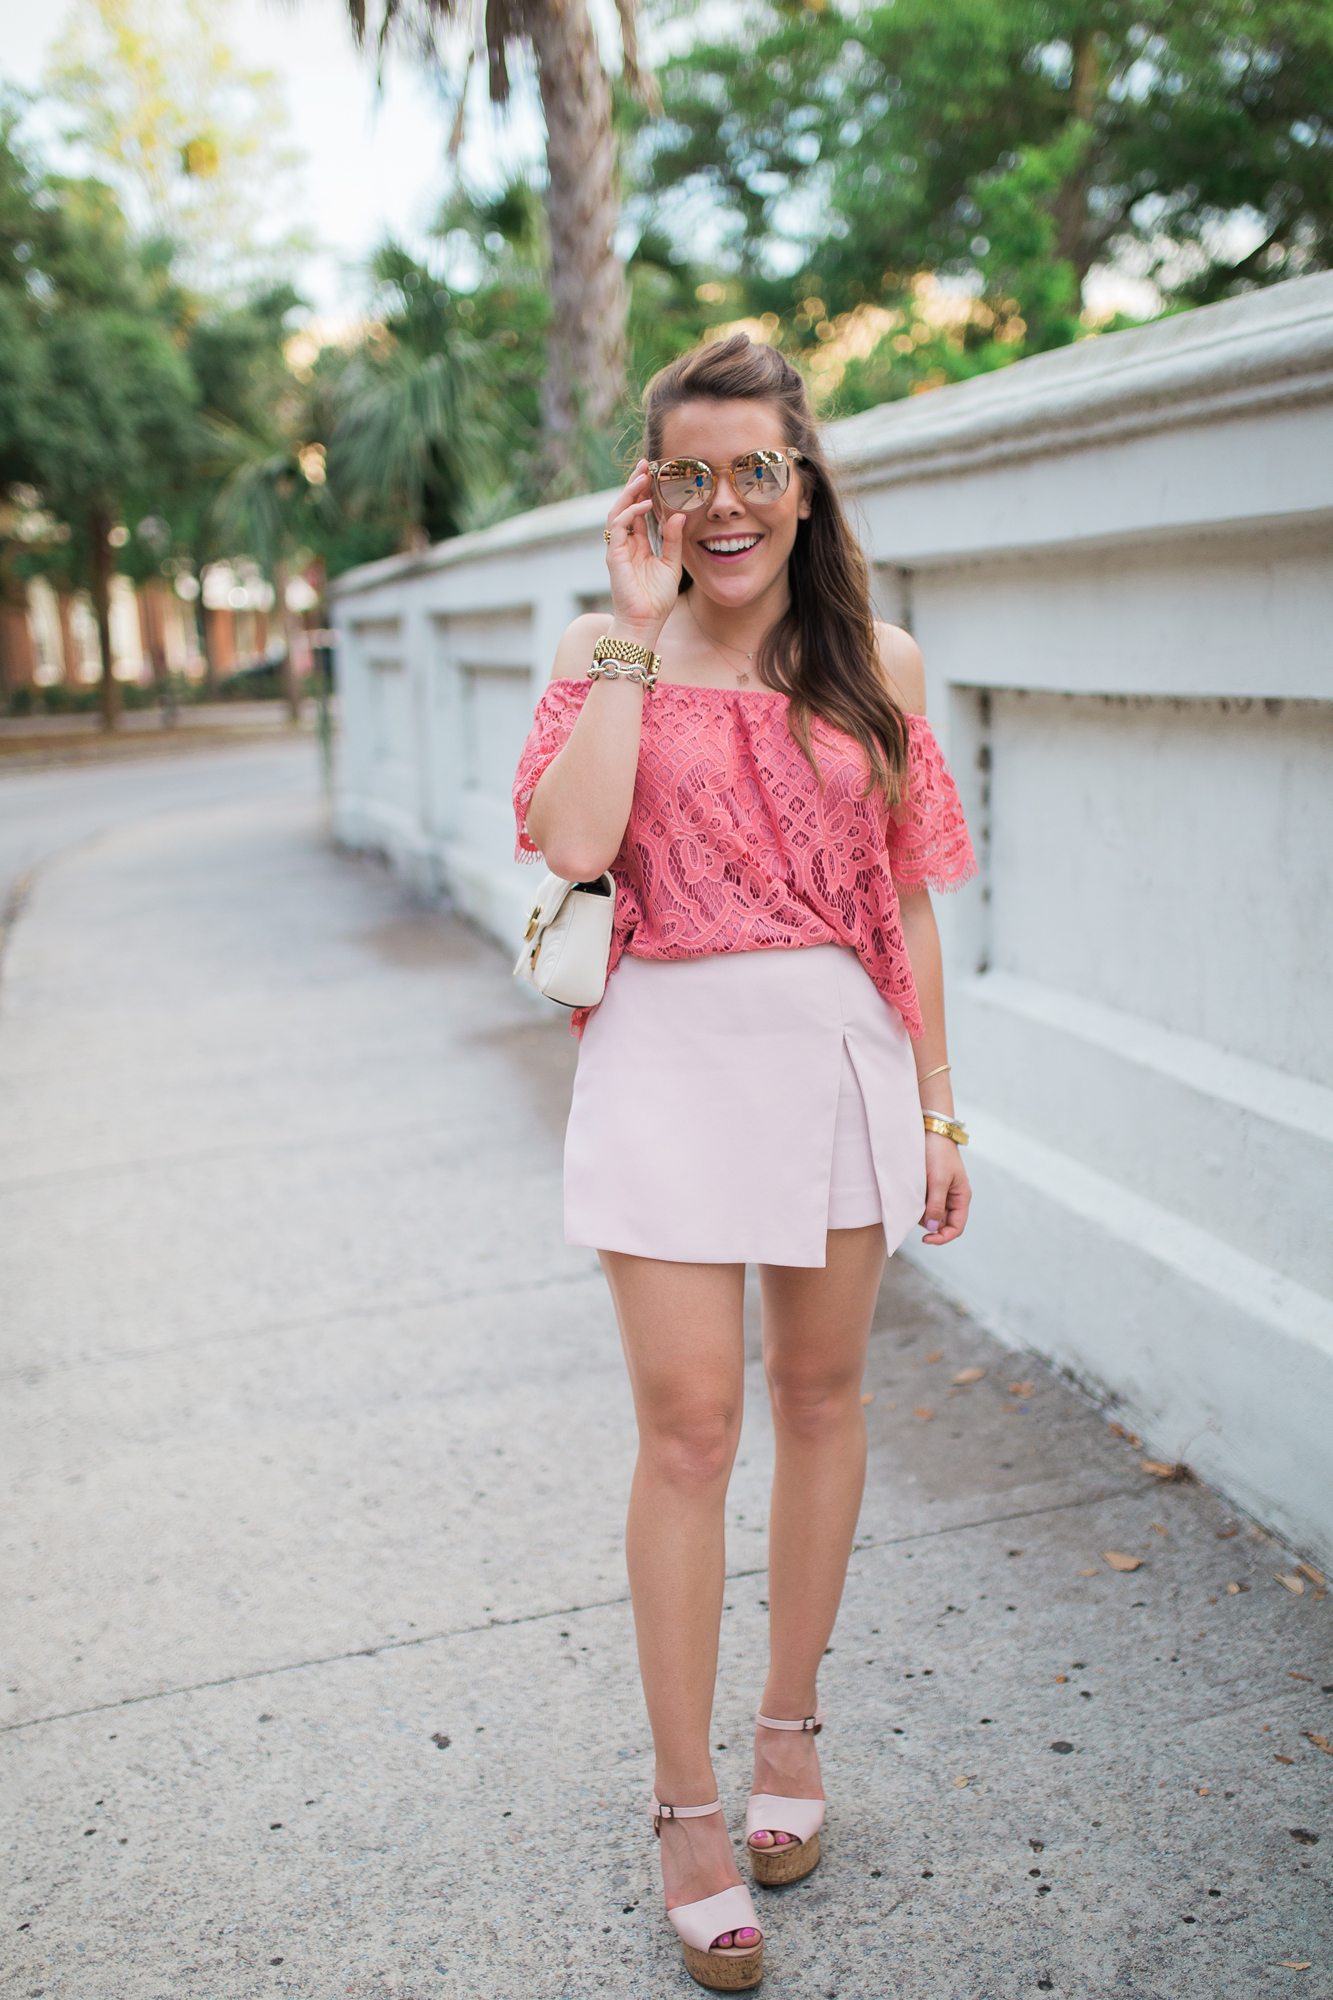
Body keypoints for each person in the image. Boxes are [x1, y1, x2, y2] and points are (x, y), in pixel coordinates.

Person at [513, 334, 976, 1991]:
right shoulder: (601, 647)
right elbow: (573, 848)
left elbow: (907, 895)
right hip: (662, 1051)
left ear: (803, 483)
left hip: (837, 1057)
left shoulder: (880, 663)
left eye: (755, 470)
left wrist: (935, 1105)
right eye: (689, 473)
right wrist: (635, 642)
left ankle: (790, 1734)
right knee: (691, 1427)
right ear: (652, 492)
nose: (725, 504)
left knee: (826, 1398)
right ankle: (685, 1805)